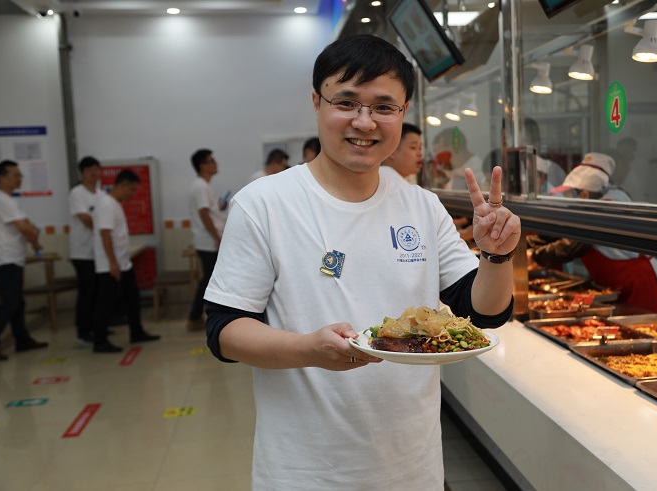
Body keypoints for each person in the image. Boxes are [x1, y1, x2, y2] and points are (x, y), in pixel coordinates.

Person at [203, 34, 520, 490]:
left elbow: (483, 311)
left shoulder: (421, 205)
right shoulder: (264, 204)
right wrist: (309, 349)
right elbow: (224, 330)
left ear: (403, 113)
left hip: (413, 467)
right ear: (317, 102)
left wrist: (495, 254)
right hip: (305, 472)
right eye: (347, 102)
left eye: (383, 107)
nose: (364, 122)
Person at [529, 152, 657, 312]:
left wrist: (534, 257)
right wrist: (529, 243)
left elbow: (577, 242)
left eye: (569, 193)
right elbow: (563, 230)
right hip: (615, 286)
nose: (566, 198)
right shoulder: (591, 204)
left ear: (584, 195)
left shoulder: (610, 203)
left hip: (640, 285)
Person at [91, 169, 160, 353]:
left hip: (123, 262)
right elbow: (105, 234)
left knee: (132, 298)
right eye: (132, 189)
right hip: (110, 264)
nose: (133, 194)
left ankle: (136, 331)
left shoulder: (115, 203)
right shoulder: (106, 204)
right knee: (105, 302)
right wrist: (112, 262)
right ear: (122, 185)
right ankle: (99, 340)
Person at [0, 160, 49, 361]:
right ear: (2, 178)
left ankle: (22, 339)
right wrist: (33, 238)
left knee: (18, 302)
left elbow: (28, 223)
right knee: (11, 302)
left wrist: (33, 235)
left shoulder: (10, 199)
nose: (19, 179)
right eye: (15, 175)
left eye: (20, 175)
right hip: (4, 258)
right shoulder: (0, 199)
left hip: (13, 257)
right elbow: (25, 228)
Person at [186, 149, 226, 331]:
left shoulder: (203, 186)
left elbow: (208, 211)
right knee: (209, 280)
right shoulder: (201, 186)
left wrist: (219, 208)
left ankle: (196, 316)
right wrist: (217, 238)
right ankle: (194, 317)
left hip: (208, 240)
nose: (215, 164)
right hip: (208, 241)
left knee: (208, 279)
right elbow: (204, 214)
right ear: (202, 166)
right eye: (211, 161)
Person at [68, 156, 104, 343]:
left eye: (96, 169)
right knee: (87, 292)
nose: (93, 173)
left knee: (98, 292)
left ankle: (97, 327)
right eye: (89, 170)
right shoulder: (77, 193)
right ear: (81, 173)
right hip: (82, 252)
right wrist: (105, 227)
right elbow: (85, 219)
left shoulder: (101, 194)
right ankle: (83, 330)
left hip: (99, 252)